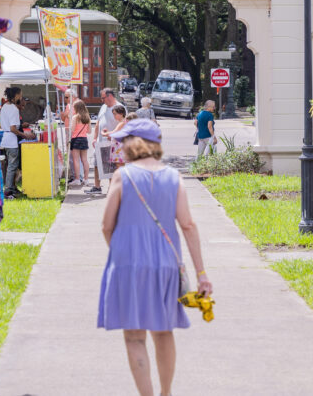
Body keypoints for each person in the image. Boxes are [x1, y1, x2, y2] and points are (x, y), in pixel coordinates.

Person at [98, 119, 213, 396]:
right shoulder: (173, 177)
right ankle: (166, 392)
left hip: (127, 264)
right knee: (163, 331)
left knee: (135, 337)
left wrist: (120, 251)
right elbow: (187, 225)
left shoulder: (122, 177)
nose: (121, 144)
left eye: (125, 139)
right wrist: (201, 274)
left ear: (135, 143)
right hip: (165, 264)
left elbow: (106, 224)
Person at [1, 86, 34, 199]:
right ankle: (8, 191)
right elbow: (13, 128)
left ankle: (10, 188)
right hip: (11, 141)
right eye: (20, 94)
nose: (21, 97)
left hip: (5, 139)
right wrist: (25, 135)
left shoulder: (5, 106)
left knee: (11, 166)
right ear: (16, 96)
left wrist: (21, 126)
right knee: (12, 166)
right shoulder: (14, 109)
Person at [91, 88, 119, 194]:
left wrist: (111, 134)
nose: (102, 100)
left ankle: (111, 189)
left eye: (103, 98)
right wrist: (94, 138)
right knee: (97, 163)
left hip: (111, 142)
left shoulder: (119, 108)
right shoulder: (103, 107)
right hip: (100, 140)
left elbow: (123, 125)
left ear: (110, 96)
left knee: (110, 167)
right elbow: (98, 123)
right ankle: (97, 186)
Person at [69, 100, 91, 187]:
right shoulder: (87, 117)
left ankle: (77, 179)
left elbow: (72, 129)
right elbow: (89, 131)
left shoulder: (75, 117)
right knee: (84, 160)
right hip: (84, 139)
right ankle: (86, 179)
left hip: (76, 139)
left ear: (76, 108)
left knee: (76, 160)